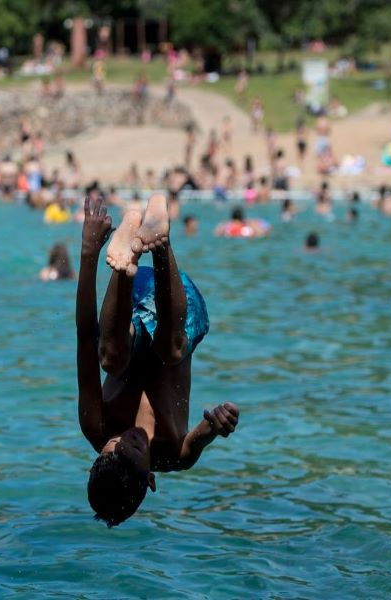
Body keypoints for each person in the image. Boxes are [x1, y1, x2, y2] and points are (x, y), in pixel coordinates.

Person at [77, 194, 239, 527]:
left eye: (113, 445)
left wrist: (89, 253)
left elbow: (84, 336)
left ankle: (130, 251)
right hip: (181, 305)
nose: (126, 437)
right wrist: (222, 420)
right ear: (151, 479)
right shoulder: (176, 453)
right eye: (134, 451)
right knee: (172, 352)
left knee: (108, 359)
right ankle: (158, 239)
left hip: (133, 302)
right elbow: (210, 429)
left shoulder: (95, 424)